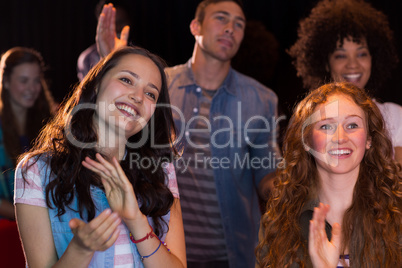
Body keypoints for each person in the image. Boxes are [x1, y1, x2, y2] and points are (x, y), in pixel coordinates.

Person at [96, 1, 281, 267]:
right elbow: (110, 132)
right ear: (196, 26)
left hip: (235, 254)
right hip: (162, 250)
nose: (230, 28)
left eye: (239, 24)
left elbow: (267, 171)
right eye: (221, 18)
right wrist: (112, 66)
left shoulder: (261, 98)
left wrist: (292, 187)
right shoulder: (157, 88)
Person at [15, 46, 186, 267]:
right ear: (96, 84)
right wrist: (81, 249)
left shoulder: (161, 171)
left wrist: (137, 221)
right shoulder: (36, 170)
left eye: (150, 93)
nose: (137, 96)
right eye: (126, 80)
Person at [255, 82, 402, 267]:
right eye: (326, 127)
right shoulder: (279, 221)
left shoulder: (397, 214)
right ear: (307, 141)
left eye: (352, 125)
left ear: (369, 139)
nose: (340, 137)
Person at [288, 0, 402, 167]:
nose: (353, 64)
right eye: (341, 56)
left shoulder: (395, 116)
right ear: (325, 63)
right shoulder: (306, 118)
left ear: (373, 58)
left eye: (362, 54)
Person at [0, 46, 54, 220]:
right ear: (6, 82)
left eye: (36, 80)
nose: (32, 88)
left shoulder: (51, 124)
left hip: (45, 224)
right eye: (24, 80)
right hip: (8, 232)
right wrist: (33, 219)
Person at [77, 0, 132, 81]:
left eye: (121, 22)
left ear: (129, 21)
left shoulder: (140, 55)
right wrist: (107, 57)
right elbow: (89, 91)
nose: (117, 27)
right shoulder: (87, 58)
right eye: (112, 23)